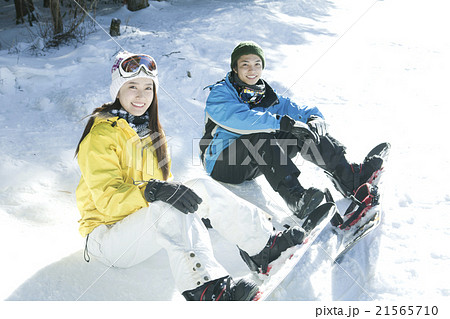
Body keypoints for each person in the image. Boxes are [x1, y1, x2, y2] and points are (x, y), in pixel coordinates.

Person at [75, 51, 315, 301]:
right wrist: (152, 191)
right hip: (108, 239)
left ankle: (265, 247)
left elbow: (164, 187)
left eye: (148, 88)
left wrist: (195, 207)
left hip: (141, 227)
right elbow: (108, 200)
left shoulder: (149, 132)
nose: (141, 95)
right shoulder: (101, 136)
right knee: (167, 206)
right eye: (132, 86)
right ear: (117, 91)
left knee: (199, 187)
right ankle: (206, 291)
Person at [199, 41, 385, 218]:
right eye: (245, 64)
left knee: (302, 131)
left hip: (251, 161)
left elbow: (295, 109)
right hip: (221, 162)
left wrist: (314, 118)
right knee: (262, 136)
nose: (252, 70)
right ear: (235, 68)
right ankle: (297, 199)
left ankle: (349, 177)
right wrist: (281, 123)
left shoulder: (264, 94)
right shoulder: (221, 93)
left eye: (257, 64)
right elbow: (241, 119)